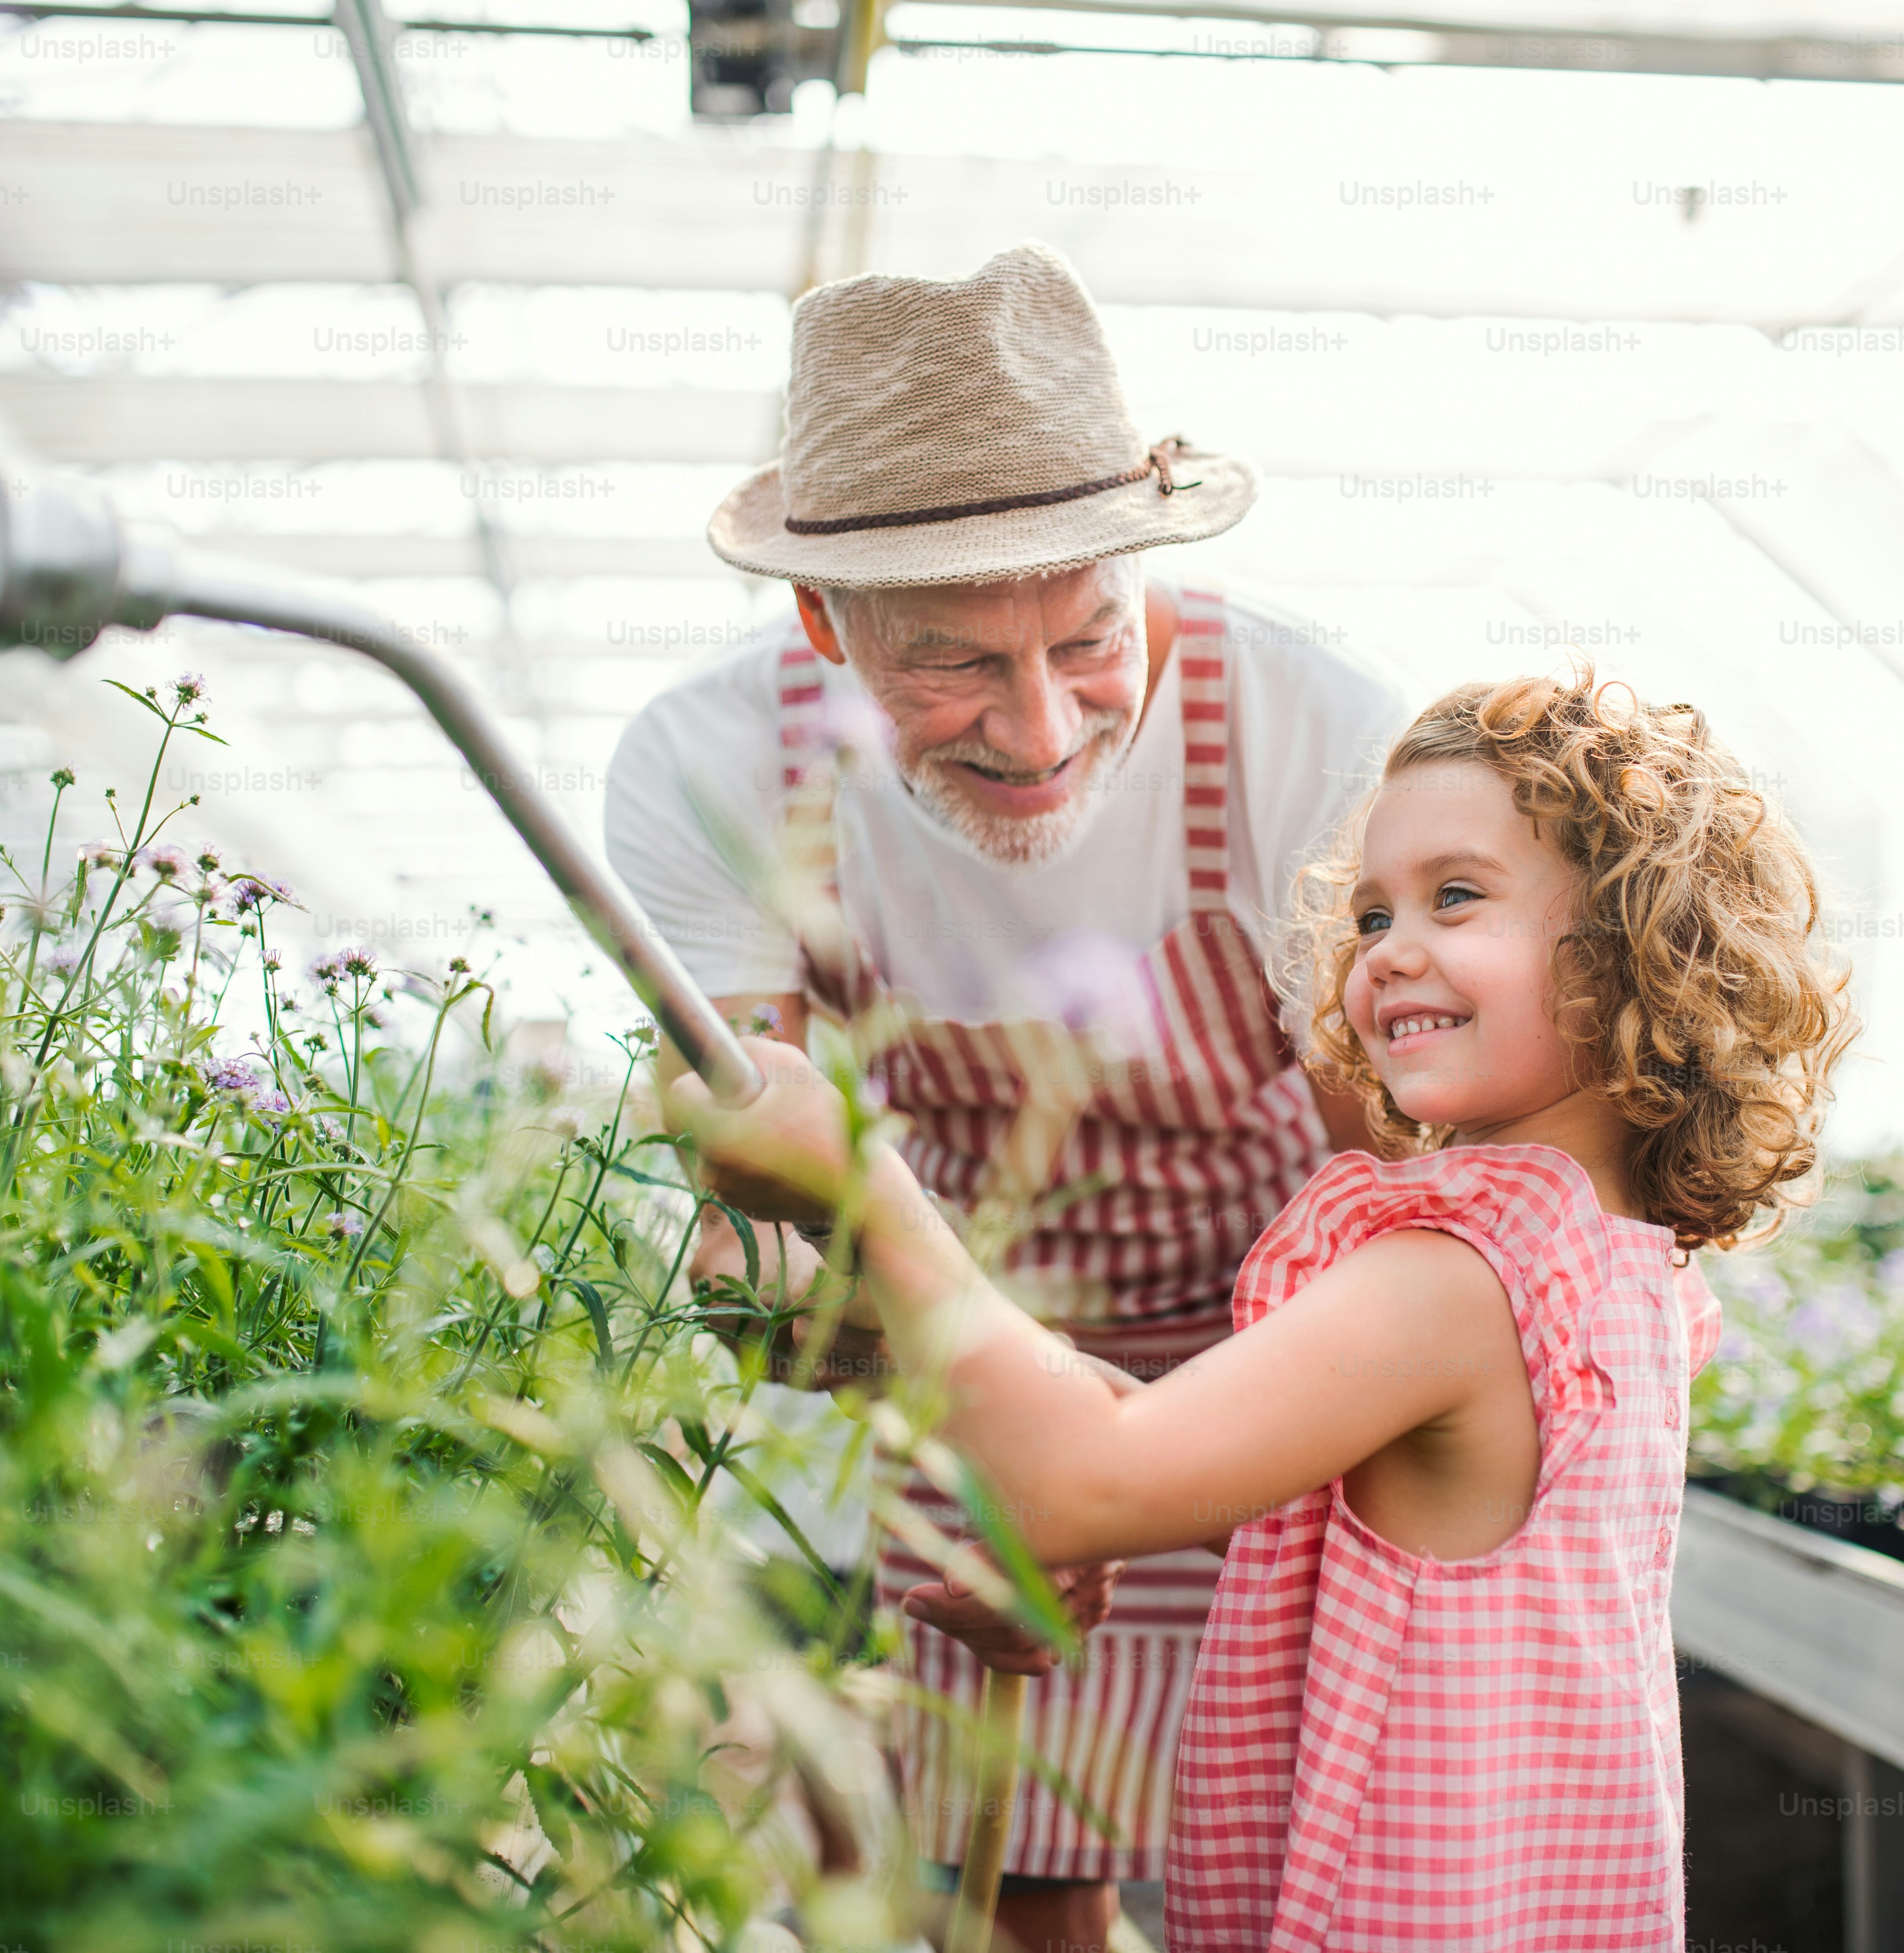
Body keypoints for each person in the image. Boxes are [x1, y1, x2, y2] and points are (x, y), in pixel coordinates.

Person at [673, 671, 1859, 1948]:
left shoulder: (1453, 1274)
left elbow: (1088, 1478)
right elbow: (1363, 1508)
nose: (1389, 946)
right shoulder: (1613, 1262)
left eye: (1455, 895)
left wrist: (870, 1188)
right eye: (1369, 910)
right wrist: (1112, 1485)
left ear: (1637, 946)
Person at [602, 242, 1405, 1948]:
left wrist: (1143, 1470)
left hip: (1274, 1344)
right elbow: (771, 1234)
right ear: (820, 623)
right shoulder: (707, 770)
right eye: (953, 662)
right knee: (1029, 1874)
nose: (1040, 730)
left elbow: (1395, 1207)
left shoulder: (1303, 735)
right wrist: (1024, 1459)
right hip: (929, 1345)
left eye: (1087, 638)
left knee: (1300, 1861)